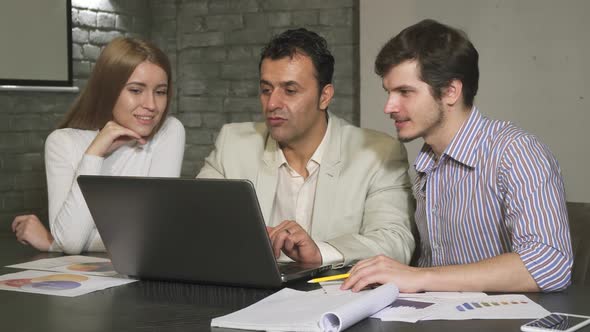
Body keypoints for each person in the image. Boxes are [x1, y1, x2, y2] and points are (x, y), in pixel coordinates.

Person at [341, 19, 572, 293]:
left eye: (405, 92)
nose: (389, 106)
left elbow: (550, 265)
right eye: (389, 92)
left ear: (451, 91)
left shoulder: (516, 152)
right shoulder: (428, 164)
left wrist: (419, 277)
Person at [196, 28, 415, 267]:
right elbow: (194, 224)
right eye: (266, 90)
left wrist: (321, 252)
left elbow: (395, 242)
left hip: (336, 298)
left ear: (324, 96)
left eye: (290, 91)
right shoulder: (233, 144)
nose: (272, 103)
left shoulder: (378, 153)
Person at [12, 37, 185, 254]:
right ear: (108, 90)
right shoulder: (62, 142)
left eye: (160, 92)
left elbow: (153, 234)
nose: (151, 105)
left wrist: (53, 243)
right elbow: (72, 241)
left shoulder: (169, 130)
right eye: (136, 90)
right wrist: (94, 154)